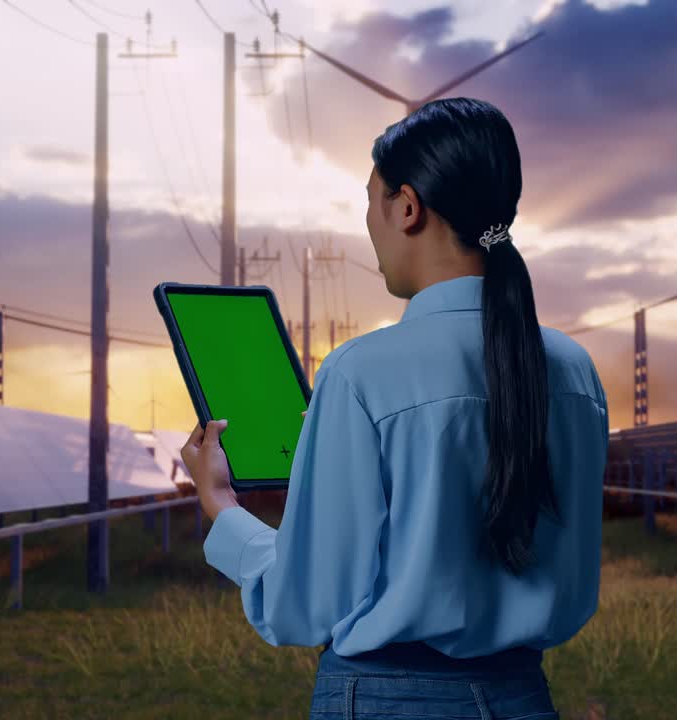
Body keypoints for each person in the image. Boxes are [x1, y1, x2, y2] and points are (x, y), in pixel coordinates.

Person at [180, 97, 607, 720]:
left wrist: (220, 503)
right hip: (522, 698)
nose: (370, 227)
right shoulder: (575, 370)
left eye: (370, 201)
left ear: (407, 207)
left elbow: (303, 605)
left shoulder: (359, 374)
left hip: (385, 699)